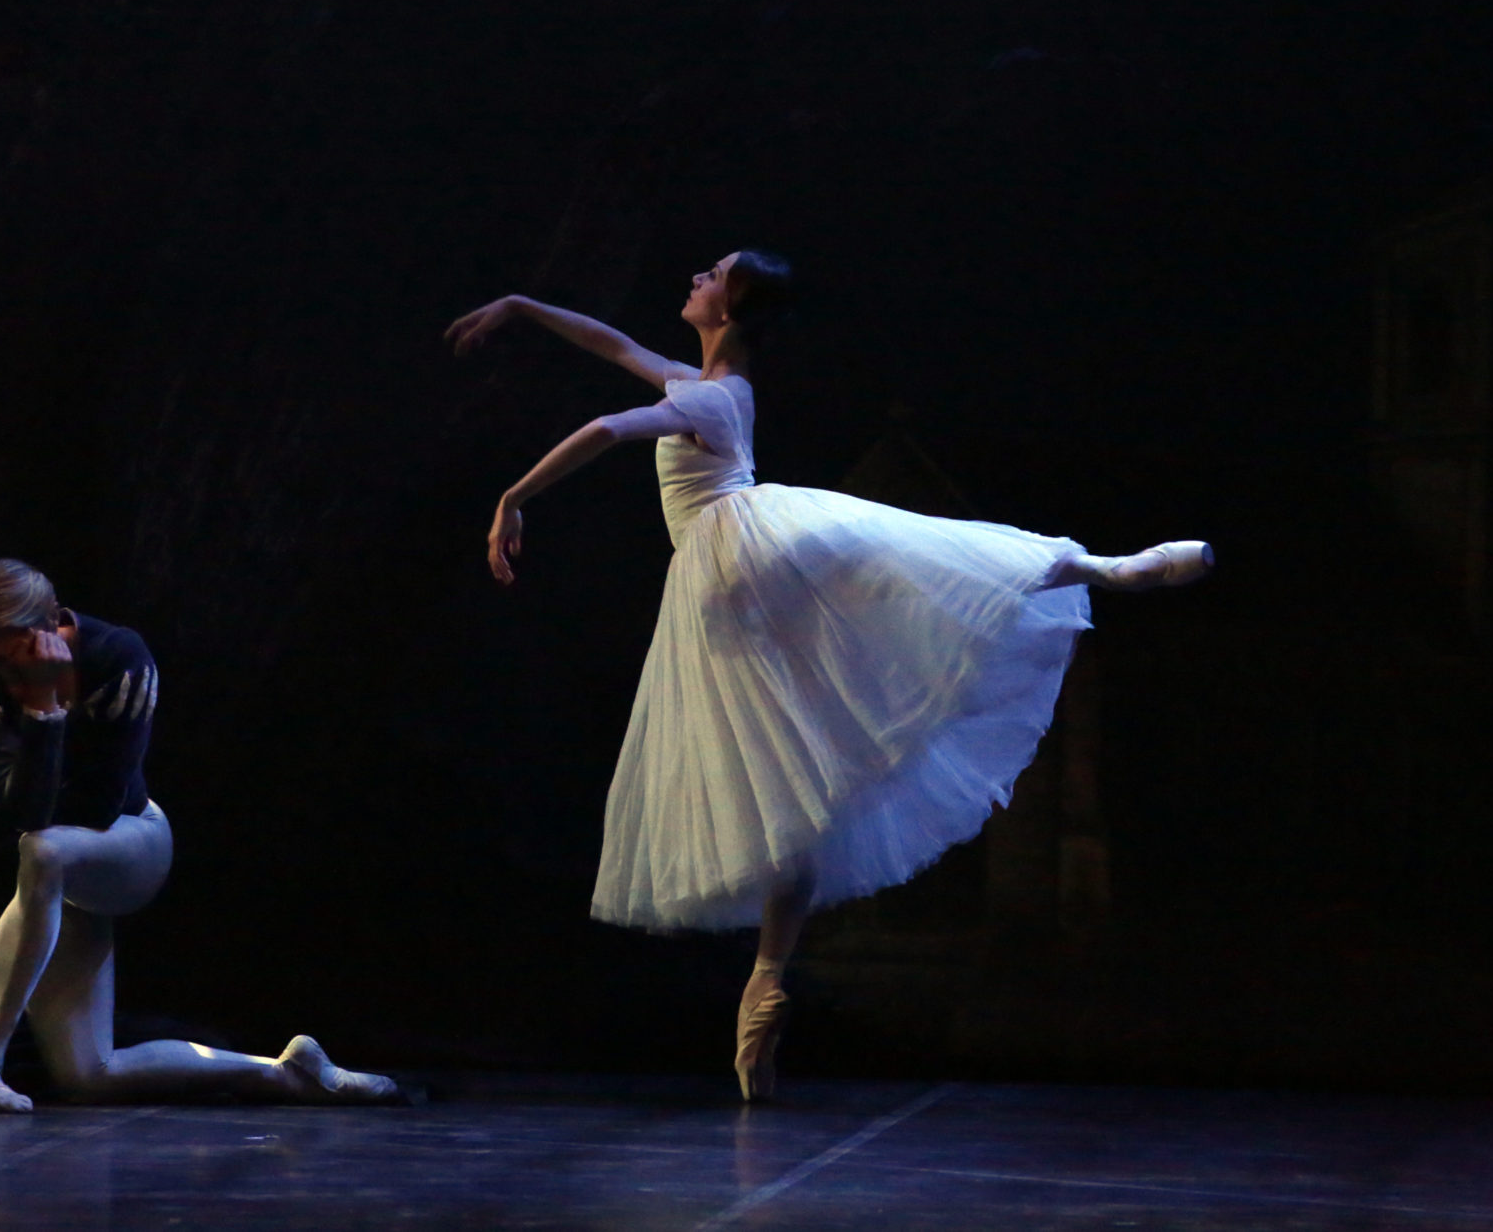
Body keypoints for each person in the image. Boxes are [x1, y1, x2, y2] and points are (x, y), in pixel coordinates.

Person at [446, 253, 1211, 1100]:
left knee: (911, 564)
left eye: (712, 273)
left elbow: (606, 428)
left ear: (729, 308)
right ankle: (766, 985)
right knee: (800, 765)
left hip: (739, 563)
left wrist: (514, 495)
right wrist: (521, 303)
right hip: (737, 575)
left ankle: (1105, 569)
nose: (694, 275)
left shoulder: (710, 396)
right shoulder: (702, 383)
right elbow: (611, 345)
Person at [0, 558, 400, 1112]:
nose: (11, 674)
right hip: (58, 881)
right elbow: (27, 806)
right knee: (90, 1074)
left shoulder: (119, 657)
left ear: (51, 623)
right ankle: (287, 1073)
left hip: (131, 838)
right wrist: (39, 716)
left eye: (20, 652)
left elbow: (95, 804)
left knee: (41, 848)